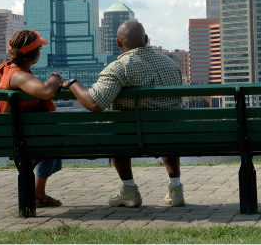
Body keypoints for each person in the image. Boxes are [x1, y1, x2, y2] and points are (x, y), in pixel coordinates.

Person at [62, 21, 184, 208]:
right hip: (170, 134)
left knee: (116, 132)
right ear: (146, 40)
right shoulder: (170, 63)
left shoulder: (120, 67)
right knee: (165, 125)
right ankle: (176, 191)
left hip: (131, 138)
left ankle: (129, 190)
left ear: (119, 43)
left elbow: (95, 103)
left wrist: (72, 83)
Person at [0, 30, 63, 207]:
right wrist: (55, 78)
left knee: (50, 137)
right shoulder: (17, 76)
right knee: (53, 139)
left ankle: (38, 194)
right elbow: (47, 92)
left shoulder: (6, 71)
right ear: (34, 55)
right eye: (39, 48)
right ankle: (37, 194)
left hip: (15, 135)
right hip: (23, 139)